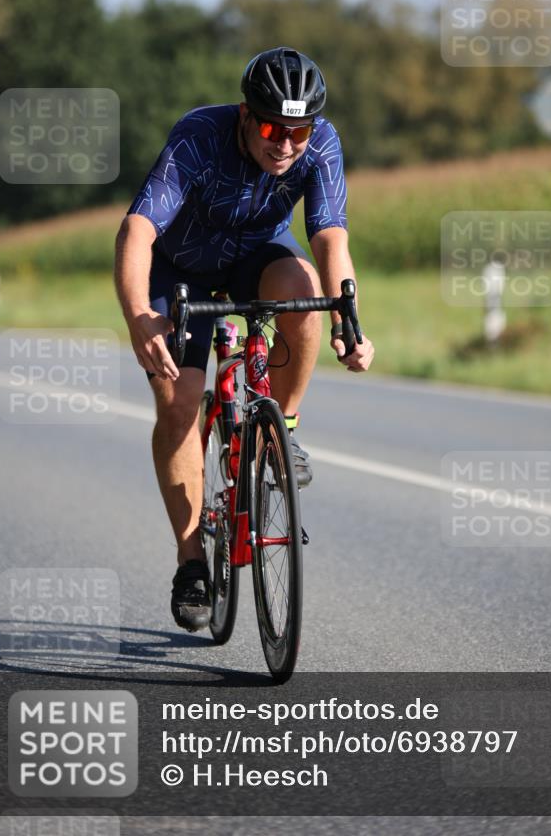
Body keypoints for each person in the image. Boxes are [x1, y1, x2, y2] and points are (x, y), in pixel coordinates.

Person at [114, 46, 374, 633]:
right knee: (180, 403)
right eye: (269, 128)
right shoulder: (200, 137)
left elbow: (329, 237)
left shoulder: (322, 144)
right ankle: (190, 565)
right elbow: (136, 230)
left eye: (298, 131)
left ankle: (282, 430)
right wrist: (138, 315)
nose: (284, 144)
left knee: (304, 290)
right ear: (243, 113)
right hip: (178, 269)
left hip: (256, 258)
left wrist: (347, 319)